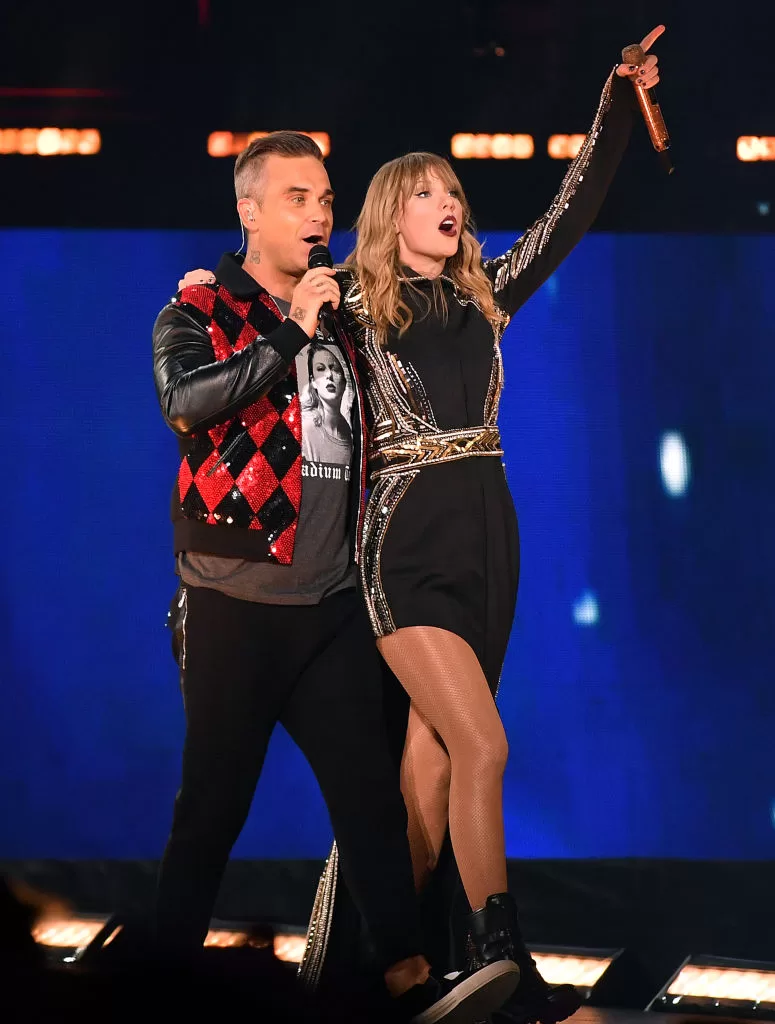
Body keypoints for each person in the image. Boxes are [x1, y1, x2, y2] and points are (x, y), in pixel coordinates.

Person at [297, 27, 666, 1024]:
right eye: (424, 191)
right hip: (404, 547)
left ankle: (379, 967)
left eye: (452, 189)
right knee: (483, 746)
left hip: (485, 541)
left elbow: (572, 207)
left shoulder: (485, 296)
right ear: (389, 213)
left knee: (430, 767)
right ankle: (501, 954)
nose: (447, 200)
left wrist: (611, 105)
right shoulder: (356, 311)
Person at [151, 130, 518, 1024]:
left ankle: (401, 976)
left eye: (324, 200)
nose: (318, 217)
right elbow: (186, 404)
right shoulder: (198, 311)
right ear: (249, 211)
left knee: (370, 804)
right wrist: (288, 328)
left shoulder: (352, 310)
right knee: (211, 810)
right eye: (296, 200)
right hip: (236, 598)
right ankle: (154, 985)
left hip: (330, 600)